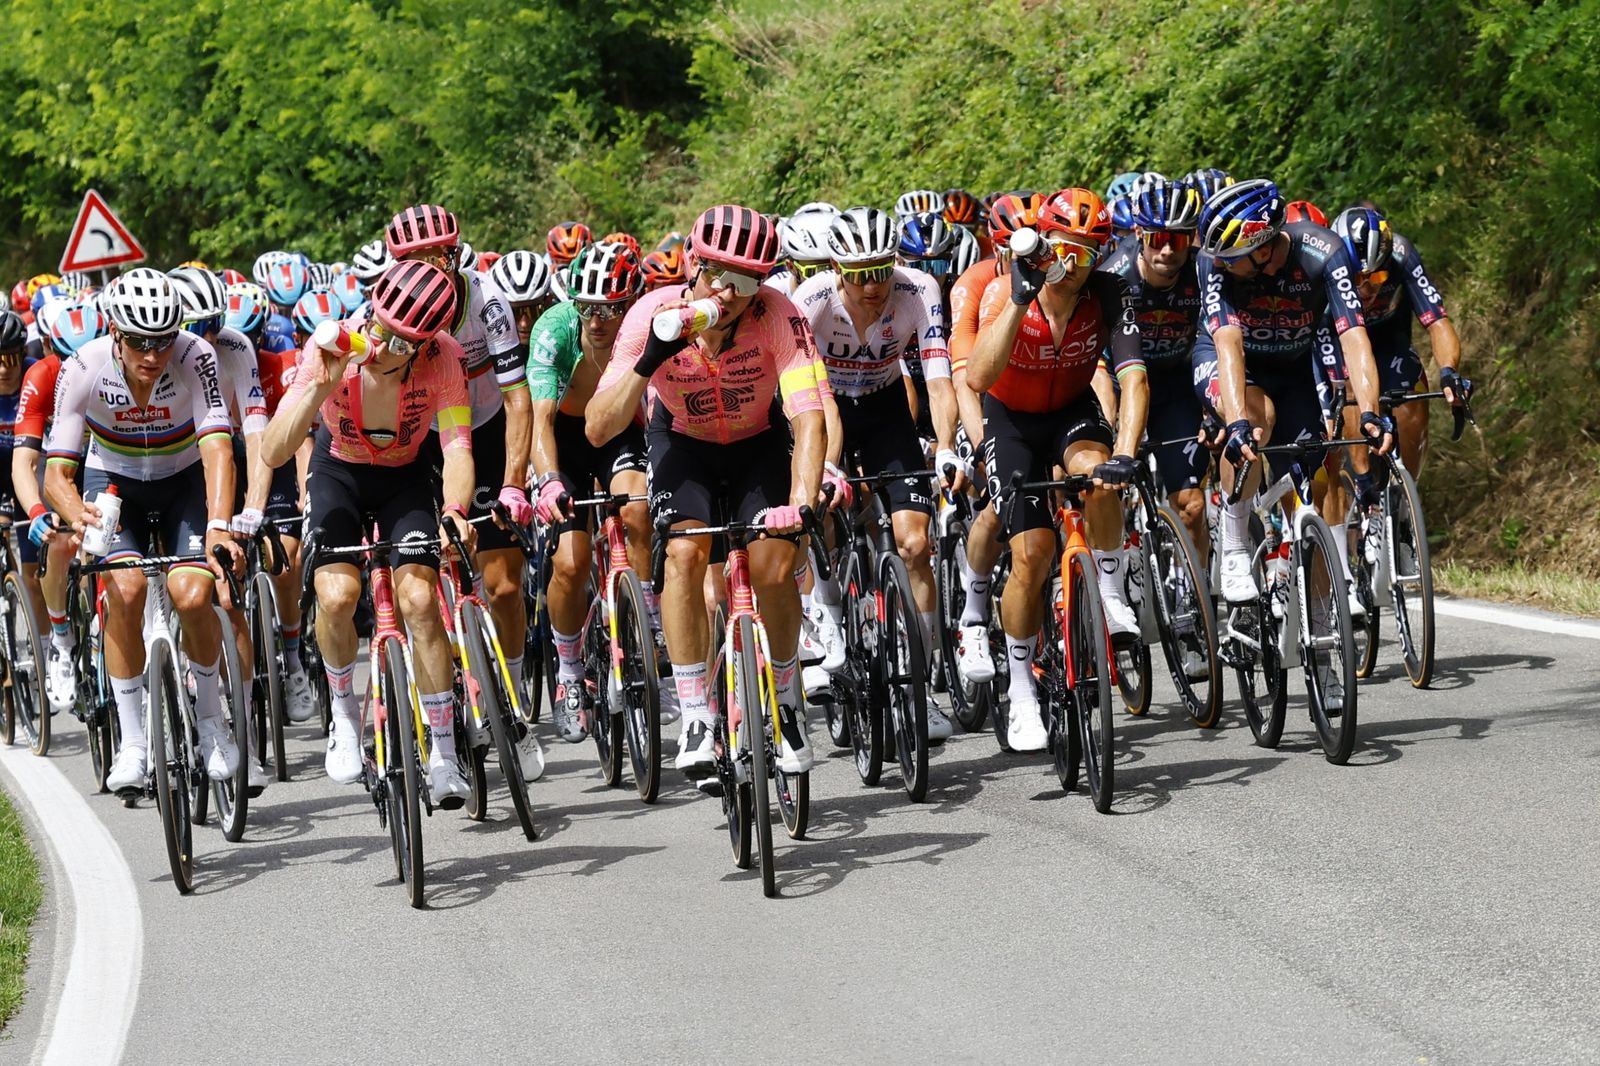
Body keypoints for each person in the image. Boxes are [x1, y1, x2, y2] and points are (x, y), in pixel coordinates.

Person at [262, 261, 539, 806]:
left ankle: (442, 749)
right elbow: (273, 450)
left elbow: (457, 447)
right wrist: (316, 388)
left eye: (402, 342)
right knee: (337, 595)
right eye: (381, 330)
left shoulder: (445, 360)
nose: (384, 346)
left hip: (404, 477)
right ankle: (343, 715)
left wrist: (456, 507)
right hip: (338, 470)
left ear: (424, 344)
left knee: (419, 600)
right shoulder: (336, 346)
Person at [586, 204, 826, 779]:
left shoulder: (777, 314)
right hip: (683, 442)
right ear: (693, 264)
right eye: (717, 274)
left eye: (746, 281)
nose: (729, 292)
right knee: (684, 552)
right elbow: (598, 426)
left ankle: (786, 695)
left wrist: (804, 502)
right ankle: (695, 710)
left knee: (773, 563)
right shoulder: (650, 313)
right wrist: (649, 361)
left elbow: (809, 416)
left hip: (757, 440)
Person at [43, 269, 243, 792]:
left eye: (162, 340)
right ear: (115, 332)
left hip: (182, 481)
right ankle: (133, 741)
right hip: (112, 486)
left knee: (194, 593)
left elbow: (218, 449)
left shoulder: (196, 354)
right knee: (127, 590)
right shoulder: (83, 366)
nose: (152, 355)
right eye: (138, 342)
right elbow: (55, 472)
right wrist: (73, 512)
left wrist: (219, 527)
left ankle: (211, 722)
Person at [963, 188, 1147, 752]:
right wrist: (1020, 301)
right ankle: (1020, 690)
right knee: (1032, 554)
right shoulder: (1004, 287)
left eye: (1088, 254)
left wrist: (1127, 451)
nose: (1073, 266)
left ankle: (1111, 593)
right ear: (1045, 243)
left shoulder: (1109, 292)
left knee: (1099, 475)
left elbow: (1134, 377)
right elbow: (978, 378)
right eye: (1065, 249)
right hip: (1012, 419)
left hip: (1070, 409)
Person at [791, 206, 961, 737]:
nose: (873, 286)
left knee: (916, 544)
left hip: (886, 406)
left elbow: (936, 379)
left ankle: (920, 683)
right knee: (815, 506)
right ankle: (829, 620)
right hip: (825, 405)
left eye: (881, 270)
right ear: (836, 270)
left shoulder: (919, 290)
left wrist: (949, 446)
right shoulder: (810, 300)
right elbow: (812, 398)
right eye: (860, 274)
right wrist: (828, 466)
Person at [1192, 179, 1393, 615]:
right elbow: (1229, 346)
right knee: (1254, 419)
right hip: (1231, 361)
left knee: (1314, 491)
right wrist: (1236, 422)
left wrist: (1372, 413)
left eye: (1232, 258)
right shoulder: (1214, 266)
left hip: (1295, 365)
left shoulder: (1323, 252)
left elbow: (1355, 338)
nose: (1222, 266)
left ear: (1263, 249)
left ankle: (1322, 624)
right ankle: (1233, 546)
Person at [385, 205, 536, 714]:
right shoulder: (388, 305)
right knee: (422, 580)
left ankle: (511, 695)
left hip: (485, 428)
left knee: (505, 583)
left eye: (441, 256)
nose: (434, 269)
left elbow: (519, 397)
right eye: (417, 260)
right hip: (418, 439)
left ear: (454, 254)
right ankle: (435, 687)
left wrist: (515, 481)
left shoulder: (485, 298)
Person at [527, 242, 654, 741]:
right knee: (570, 562)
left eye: (611, 309)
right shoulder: (553, 330)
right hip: (563, 435)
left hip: (620, 433)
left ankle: (646, 632)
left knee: (639, 509)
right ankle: (568, 670)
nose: (598, 321)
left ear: (629, 304)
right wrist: (550, 478)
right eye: (588, 308)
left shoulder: (645, 325)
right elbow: (538, 418)